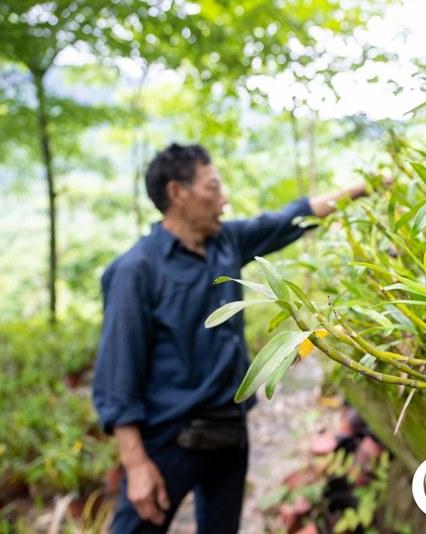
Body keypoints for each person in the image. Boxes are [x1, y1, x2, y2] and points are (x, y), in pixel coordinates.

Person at [92, 142, 371, 533]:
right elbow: (117, 373)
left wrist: (364, 188)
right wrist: (136, 464)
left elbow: (293, 216)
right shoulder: (135, 270)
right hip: (169, 441)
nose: (223, 200)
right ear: (178, 193)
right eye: (213, 187)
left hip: (230, 431)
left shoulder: (226, 242)